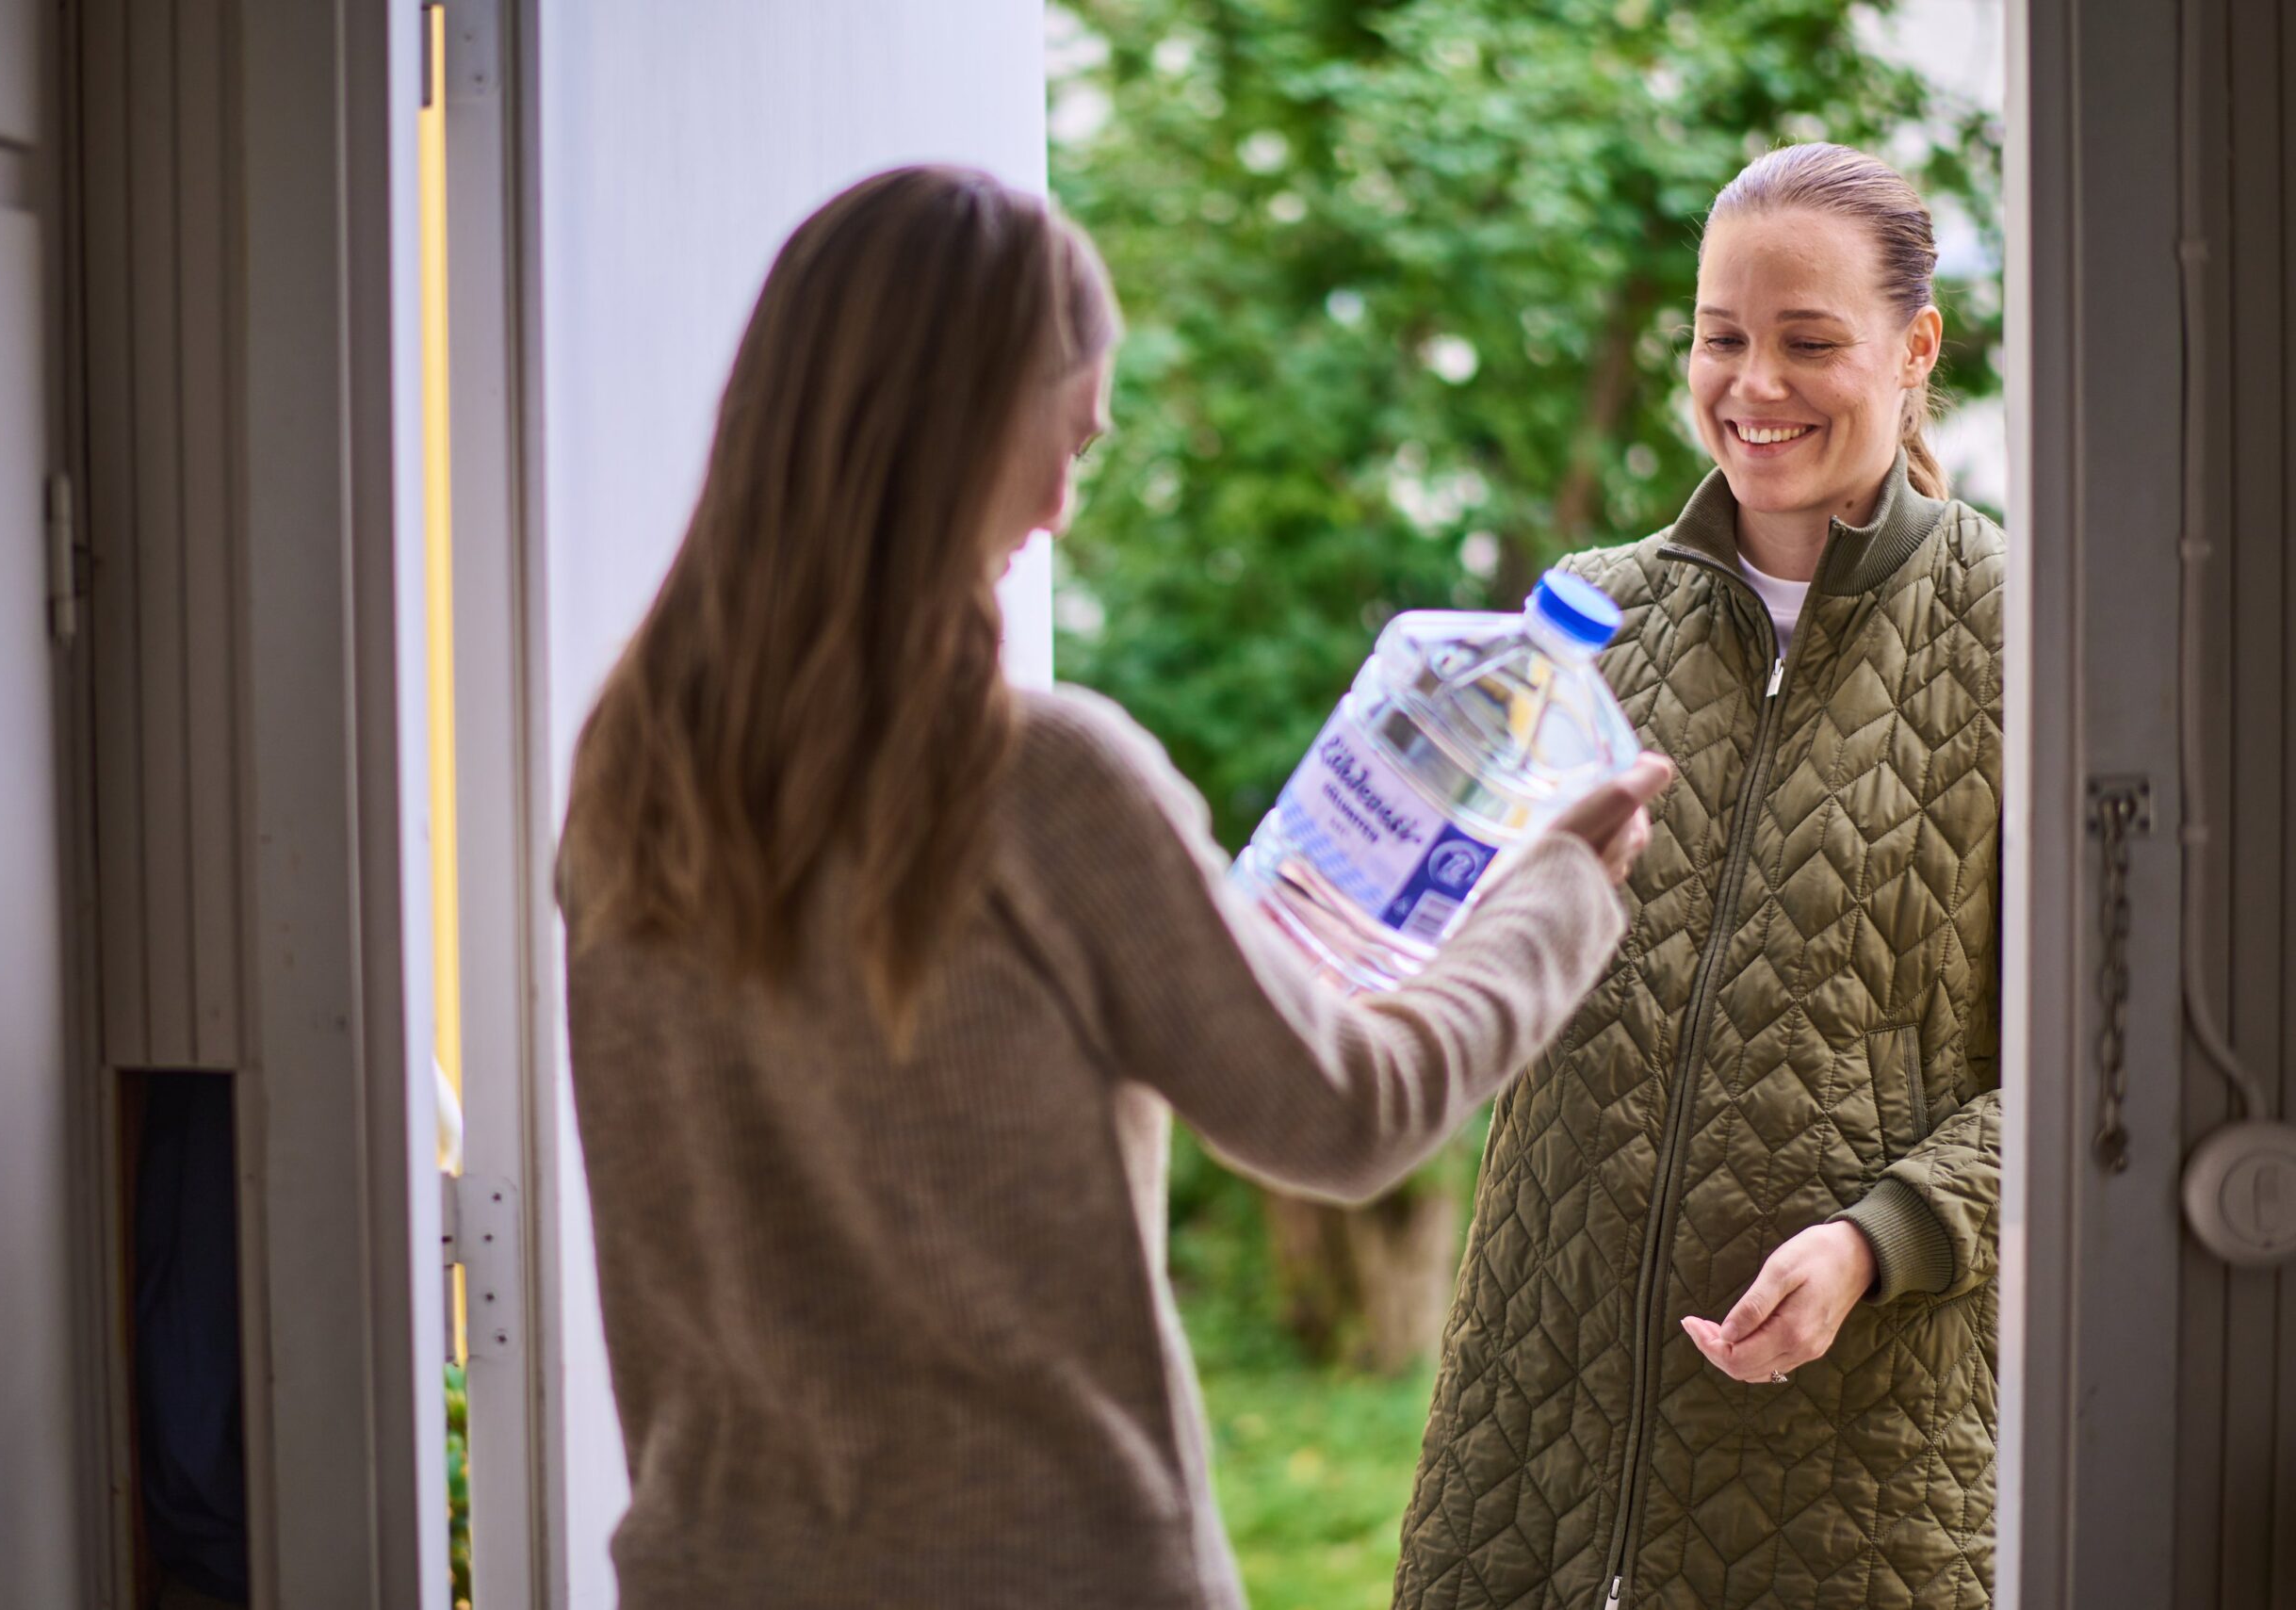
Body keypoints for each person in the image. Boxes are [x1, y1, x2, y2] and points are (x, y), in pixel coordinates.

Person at [555, 165, 1671, 1610]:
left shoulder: (631, 768)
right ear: (952, 428)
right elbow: (1347, 1113)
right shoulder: (1036, 779)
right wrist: (1561, 891)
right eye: (1063, 440)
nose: (1060, 507)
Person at [1393, 143, 2004, 1610]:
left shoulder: (2024, 639)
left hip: (1858, 1466)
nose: (1754, 383)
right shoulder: (1589, 619)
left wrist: (1879, 1241)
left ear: (1916, 348)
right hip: (1533, 1436)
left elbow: (2094, 1076)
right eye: (1722, 336)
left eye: (1809, 341)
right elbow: (1451, 965)